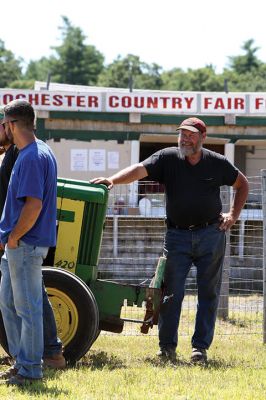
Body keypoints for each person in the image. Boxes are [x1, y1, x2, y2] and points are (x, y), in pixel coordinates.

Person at [91, 117, 249, 363]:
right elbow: (139, 170)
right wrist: (112, 180)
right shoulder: (167, 157)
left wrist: (233, 216)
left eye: (190, 135)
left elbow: (243, 184)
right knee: (170, 294)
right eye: (182, 134)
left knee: (209, 293)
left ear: (202, 137)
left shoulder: (217, 163)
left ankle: (200, 349)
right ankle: (166, 347)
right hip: (177, 236)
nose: (184, 139)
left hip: (211, 235)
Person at [0, 100, 61, 386]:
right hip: (19, 245)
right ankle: (21, 362)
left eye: (4, 125)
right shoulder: (34, 151)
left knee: (28, 309)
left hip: (25, 245)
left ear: (11, 125)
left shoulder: (33, 157)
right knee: (9, 303)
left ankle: (29, 370)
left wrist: (13, 237)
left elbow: (33, 206)